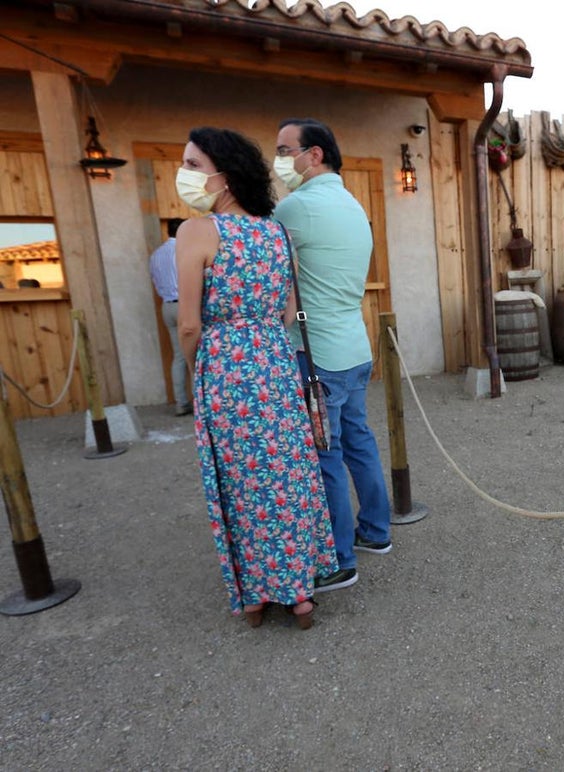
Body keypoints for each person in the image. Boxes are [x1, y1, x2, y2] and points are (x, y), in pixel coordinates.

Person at [175, 126, 337, 629]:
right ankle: (300, 591)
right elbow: (289, 312)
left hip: (225, 367)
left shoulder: (196, 232)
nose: (184, 175)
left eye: (193, 165)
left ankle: (255, 596)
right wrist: (259, 332)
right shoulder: (275, 233)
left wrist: (197, 364)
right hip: (275, 363)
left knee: (241, 481)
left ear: (224, 177)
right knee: (286, 475)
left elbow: (188, 323)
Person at [272, 117, 392, 594]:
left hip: (316, 354)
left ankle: (340, 559)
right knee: (358, 441)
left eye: (285, 150)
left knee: (326, 454)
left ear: (314, 154)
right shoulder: (352, 203)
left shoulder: (295, 207)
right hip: (353, 346)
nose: (280, 160)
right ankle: (376, 532)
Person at [148, 218, 191, 415]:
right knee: (197, 354)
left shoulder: (156, 255)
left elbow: (156, 283)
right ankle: (202, 403)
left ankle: (181, 402)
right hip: (186, 305)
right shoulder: (184, 251)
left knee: (179, 357)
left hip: (167, 306)